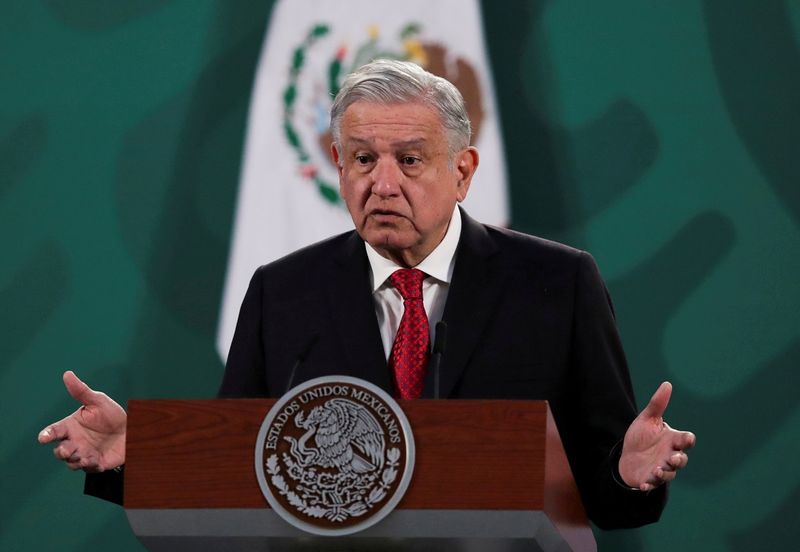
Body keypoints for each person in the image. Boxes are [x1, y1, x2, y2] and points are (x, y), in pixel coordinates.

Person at [39, 59, 695, 529]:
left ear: (462, 170)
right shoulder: (282, 293)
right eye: (362, 159)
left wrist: (626, 474)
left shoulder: (556, 284)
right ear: (338, 165)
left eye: (409, 159)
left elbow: (605, 490)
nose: (382, 183)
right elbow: (237, 473)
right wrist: (132, 459)